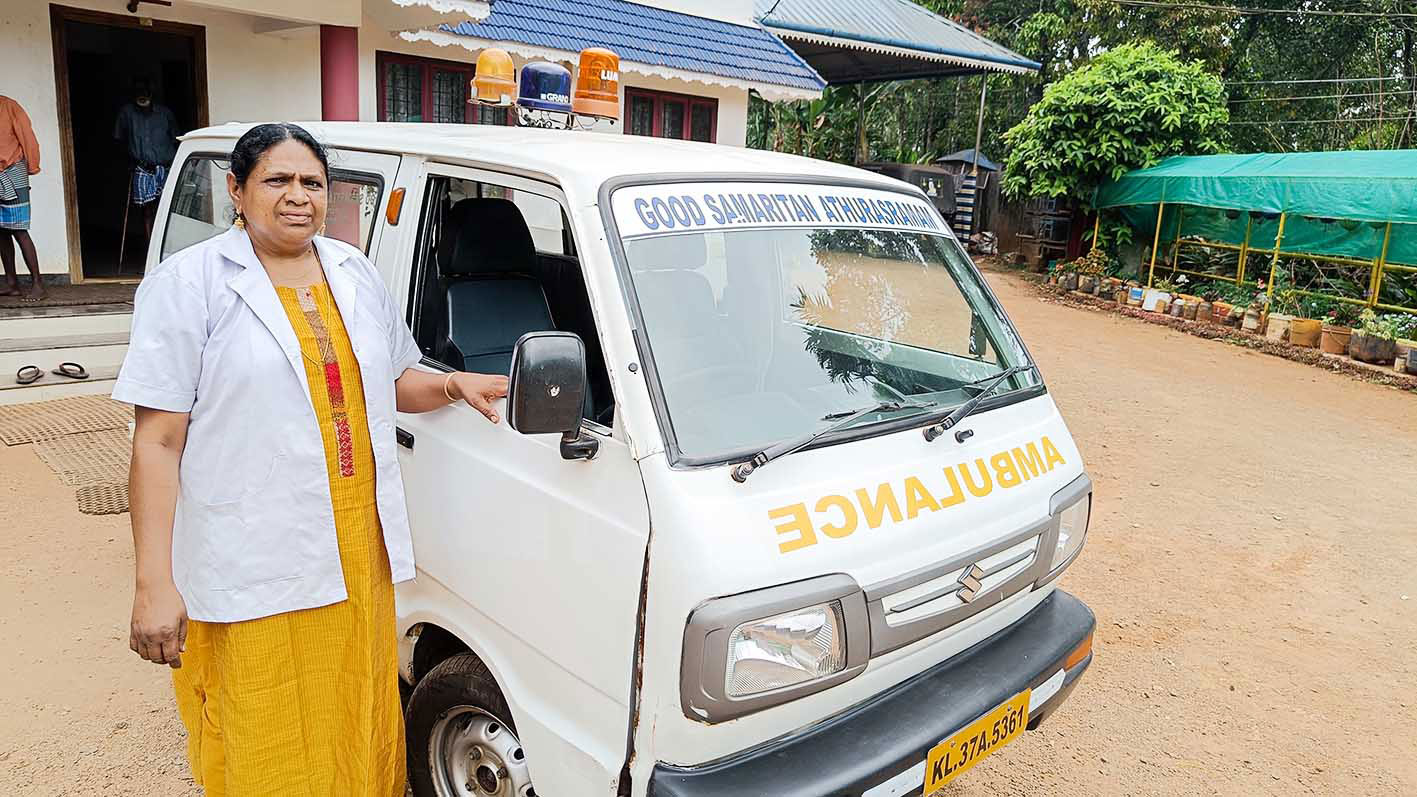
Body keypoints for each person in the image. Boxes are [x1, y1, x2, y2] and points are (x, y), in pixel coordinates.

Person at [115, 123, 508, 795]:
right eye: (277, 180)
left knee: (352, 704)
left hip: (354, 548)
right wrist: (153, 583)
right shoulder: (190, 284)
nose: (297, 196)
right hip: (250, 551)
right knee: (265, 713)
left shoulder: (352, 270)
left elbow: (385, 381)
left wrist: (447, 385)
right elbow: (157, 440)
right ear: (236, 191)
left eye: (312, 182)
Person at [114, 78, 179, 243]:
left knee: (166, 208)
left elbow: (177, 139)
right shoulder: (127, 113)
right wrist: (128, 160)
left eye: (145, 91)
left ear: (152, 93)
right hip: (142, 168)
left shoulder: (165, 114)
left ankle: (165, 245)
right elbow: (118, 140)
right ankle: (151, 246)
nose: (142, 95)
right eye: (138, 91)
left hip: (166, 167)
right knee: (147, 210)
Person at [0, 95, 44, 301]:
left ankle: (38, 284)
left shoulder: (10, 106)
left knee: (18, 229)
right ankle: (12, 283)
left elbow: (27, 136)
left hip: (13, 171)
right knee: (1, 231)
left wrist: (33, 165)